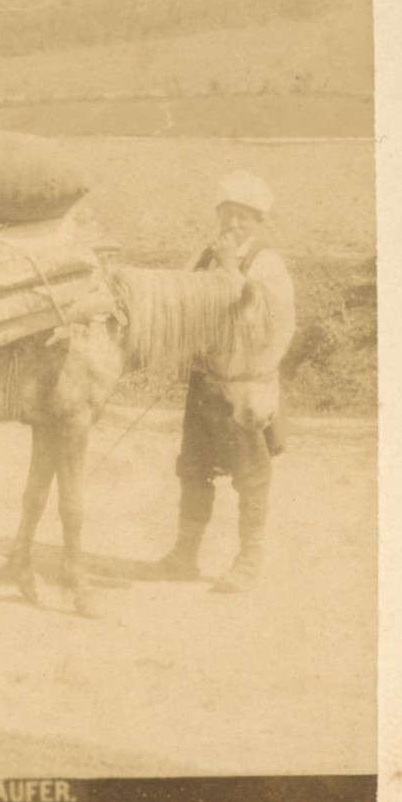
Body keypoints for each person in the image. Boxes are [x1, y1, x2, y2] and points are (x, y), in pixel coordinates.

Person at [155, 171, 296, 593]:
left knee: (250, 474)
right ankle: (185, 554)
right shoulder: (202, 255)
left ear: (259, 222)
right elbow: (185, 304)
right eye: (228, 215)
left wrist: (232, 269)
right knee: (194, 467)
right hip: (207, 383)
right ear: (218, 214)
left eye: (244, 219)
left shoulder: (267, 264)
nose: (234, 226)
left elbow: (269, 323)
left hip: (247, 383)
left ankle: (248, 560)